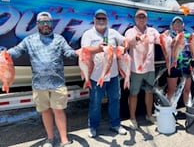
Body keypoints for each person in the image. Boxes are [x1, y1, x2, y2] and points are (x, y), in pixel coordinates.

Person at [7, 12, 75, 147]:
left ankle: (64, 140)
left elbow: (69, 53)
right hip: (39, 84)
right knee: (45, 111)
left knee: (59, 111)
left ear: (52, 24)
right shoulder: (29, 40)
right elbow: (16, 51)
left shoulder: (59, 39)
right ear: (37, 24)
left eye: (48, 22)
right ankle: (50, 139)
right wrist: (4, 54)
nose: (45, 25)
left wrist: (79, 53)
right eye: (42, 22)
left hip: (57, 83)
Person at [80, 9, 128, 138]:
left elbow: (124, 40)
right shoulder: (88, 34)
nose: (101, 21)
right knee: (95, 102)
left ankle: (115, 124)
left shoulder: (112, 32)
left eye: (103, 19)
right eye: (99, 18)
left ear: (107, 20)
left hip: (113, 75)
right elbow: (84, 50)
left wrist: (125, 45)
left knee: (115, 100)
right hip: (96, 75)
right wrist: (99, 48)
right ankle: (93, 126)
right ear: (94, 20)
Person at [125, 9, 160, 130]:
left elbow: (160, 40)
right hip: (136, 68)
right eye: (139, 17)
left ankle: (149, 115)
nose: (141, 19)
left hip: (149, 67)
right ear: (135, 19)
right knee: (133, 94)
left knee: (149, 92)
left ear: (146, 19)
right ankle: (132, 118)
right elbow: (128, 43)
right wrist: (136, 38)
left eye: (143, 17)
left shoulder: (152, 31)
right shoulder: (130, 31)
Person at [166, 16, 192, 107]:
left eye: (180, 23)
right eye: (176, 23)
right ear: (172, 25)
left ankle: (188, 108)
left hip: (186, 65)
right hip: (173, 66)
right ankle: (168, 109)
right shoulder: (168, 35)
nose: (178, 24)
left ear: (183, 25)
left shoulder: (188, 35)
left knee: (187, 89)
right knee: (171, 89)